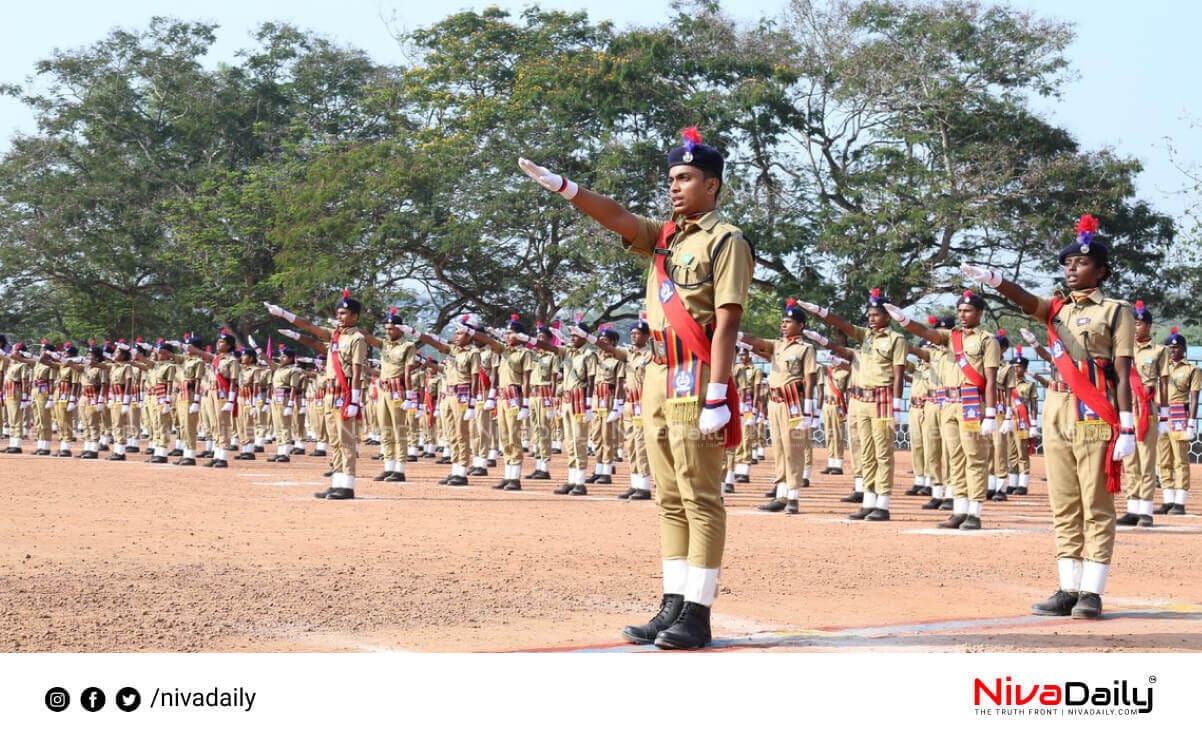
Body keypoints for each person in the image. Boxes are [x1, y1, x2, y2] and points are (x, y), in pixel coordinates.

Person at [520, 125, 752, 649]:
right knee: (667, 495)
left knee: (700, 496)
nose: (675, 186)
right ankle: (672, 603)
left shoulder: (726, 240)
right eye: (672, 178)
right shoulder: (666, 237)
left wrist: (718, 391)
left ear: (712, 185)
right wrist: (564, 187)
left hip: (695, 374)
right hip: (656, 374)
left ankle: (698, 612)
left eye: (686, 177)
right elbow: (617, 217)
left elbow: (728, 320)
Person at [962, 212, 1135, 619]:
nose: (1072, 269)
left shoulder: (1115, 311)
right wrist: (995, 280)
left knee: (1095, 501)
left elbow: (1124, 372)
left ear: (1102, 270)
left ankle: (1091, 592)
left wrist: (1126, 423)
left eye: (1081, 263)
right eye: (1068, 264)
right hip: (1057, 407)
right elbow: (1026, 301)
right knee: (1063, 501)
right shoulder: (1056, 309)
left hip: (1093, 409)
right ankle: (1067, 587)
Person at [884, 290, 1001, 529]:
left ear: (979, 313)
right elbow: (926, 333)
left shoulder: (987, 340)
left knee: (974, 457)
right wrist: (903, 320)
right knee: (955, 457)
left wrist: (990, 413)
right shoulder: (951, 336)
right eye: (959, 311)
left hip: (970, 402)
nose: (963, 315)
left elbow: (990, 379)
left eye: (968, 311)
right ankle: (958, 509)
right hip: (948, 403)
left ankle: (974, 512)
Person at [799, 289, 907, 521]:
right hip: (860, 401)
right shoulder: (865, 337)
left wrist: (897, 406)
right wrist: (819, 312)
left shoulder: (896, 340)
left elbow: (899, 374)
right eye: (869, 315)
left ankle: (883, 503)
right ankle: (868, 500)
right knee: (864, 452)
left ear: (887, 317)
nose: (871, 318)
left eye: (876, 315)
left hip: (882, 401)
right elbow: (843, 324)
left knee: (883, 454)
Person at [267, 291, 369, 498]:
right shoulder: (335, 336)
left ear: (355, 317)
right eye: (338, 313)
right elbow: (310, 327)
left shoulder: (357, 338)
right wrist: (285, 315)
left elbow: (357, 370)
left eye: (344, 313)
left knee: (345, 440)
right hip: (330, 394)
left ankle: (347, 485)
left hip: (345, 394)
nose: (339, 317)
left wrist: (355, 399)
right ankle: (337, 481)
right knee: (334, 440)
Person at [740, 299, 818, 515]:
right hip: (774, 402)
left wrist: (810, 406)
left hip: (793, 403)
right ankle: (781, 493)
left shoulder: (806, 349)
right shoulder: (777, 345)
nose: (783, 325)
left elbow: (810, 378)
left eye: (788, 321)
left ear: (800, 326)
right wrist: (734, 332)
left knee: (793, 449)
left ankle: (793, 496)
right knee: (779, 449)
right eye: (782, 321)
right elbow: (755, 341)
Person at [1158, 328, 1199, 516]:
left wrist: (1191, 423)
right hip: (1161, 414)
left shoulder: (1192, 370)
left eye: (1176, 348)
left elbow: (1193, 397)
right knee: (1163, 459)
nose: (1172, 351)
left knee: (1180, 459)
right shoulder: (1160, 369)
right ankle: (1167, 500)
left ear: (1183, 349)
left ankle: (1180, 502)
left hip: (1179, 414)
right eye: (1169, 348)